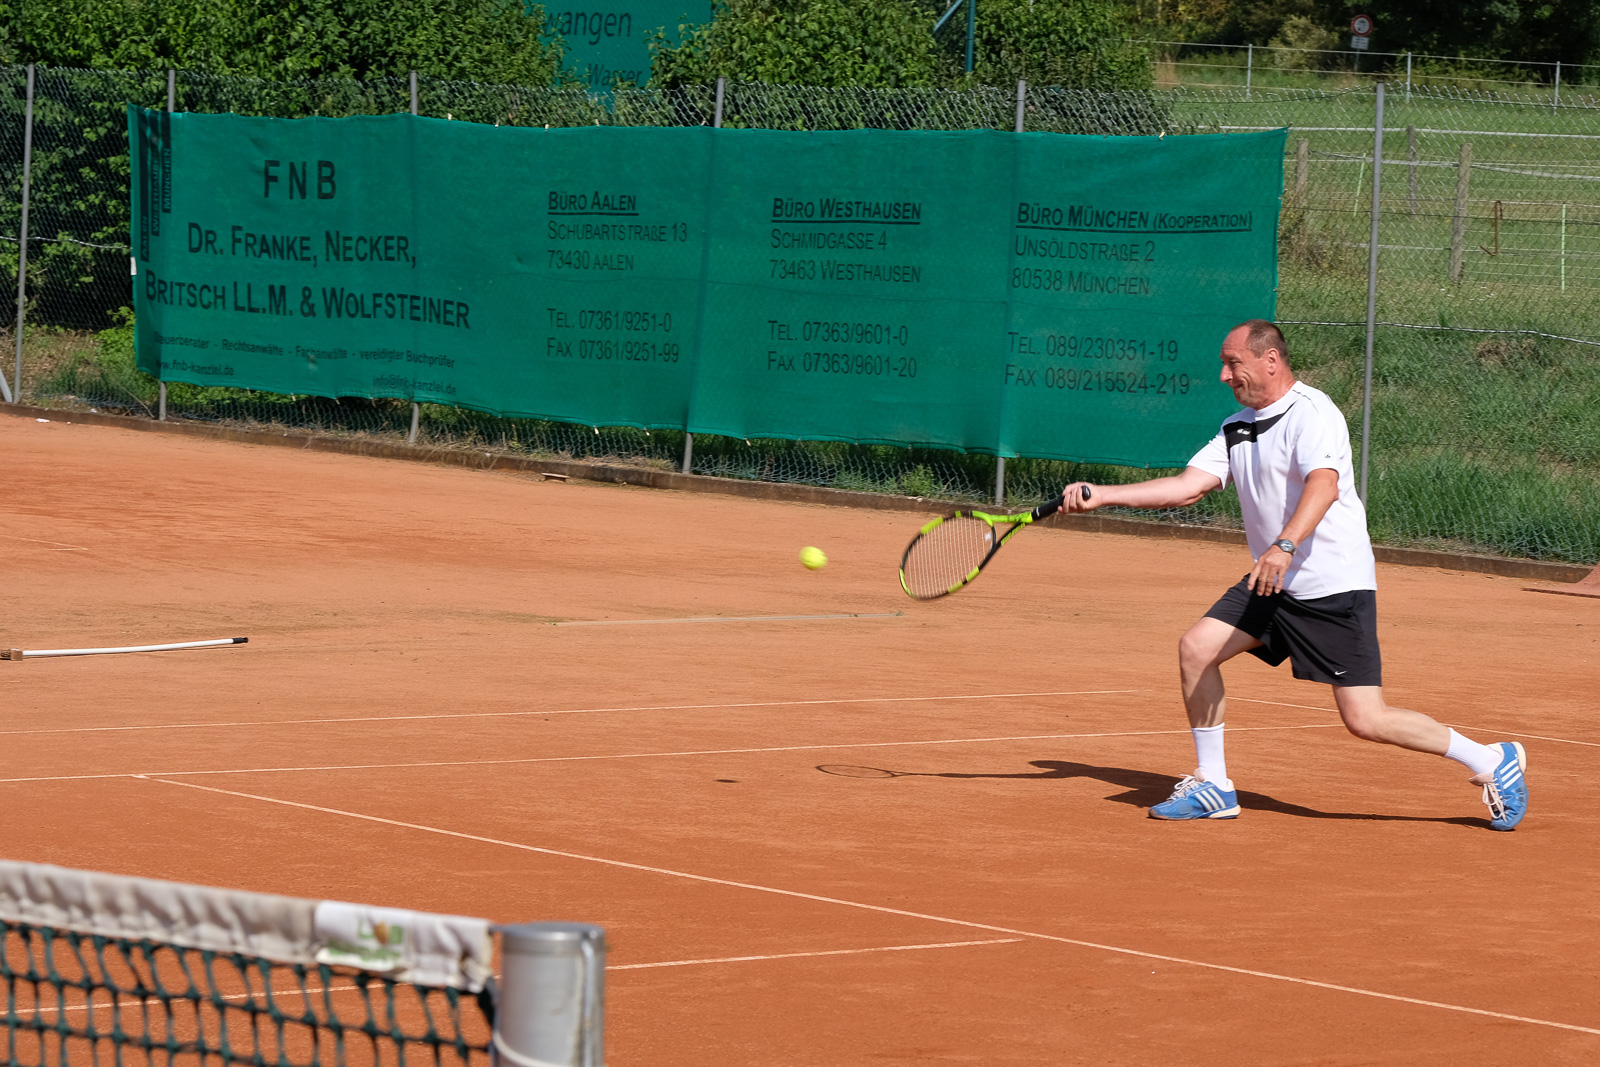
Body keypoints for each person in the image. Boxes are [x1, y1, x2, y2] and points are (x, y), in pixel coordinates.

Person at [1060, 319, 1528, 830]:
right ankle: (1213, 784)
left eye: (1233, 363)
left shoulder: (1313, 413)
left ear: (1270, 361)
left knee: (1365, 719)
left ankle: (1491, 760)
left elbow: (1323, 485)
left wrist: (1285, 545)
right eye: (1224, 365)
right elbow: (1188, 487)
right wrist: (1104, 495)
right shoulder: (1237, 426)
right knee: (1197, 648)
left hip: (1331, 586)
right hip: (1271, 582)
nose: (1224, 375)